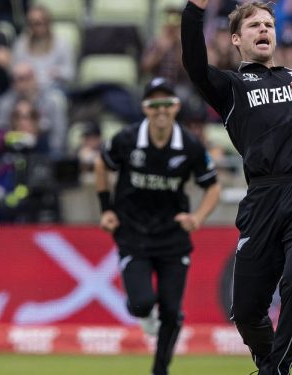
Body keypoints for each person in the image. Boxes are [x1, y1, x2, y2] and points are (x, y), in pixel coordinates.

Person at [181, 2, 292, 374]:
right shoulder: (231, 86)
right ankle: (267, 364)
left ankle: (275, 371)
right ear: (236, 39)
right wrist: (194, 10)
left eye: (269, 24)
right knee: (244, 310)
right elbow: (194, 66)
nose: (264, 29)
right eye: (255, 25)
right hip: (262, 196)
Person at [94, 77, 220, 375]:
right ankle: (143, 313)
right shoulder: (126, 139)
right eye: (154, 104)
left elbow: (212, 187)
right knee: (140, 304)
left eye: (167, 104)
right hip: (133, 232)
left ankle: (160, 370)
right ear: (145, 108)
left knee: (172, 312)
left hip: (172, 236)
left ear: (176, 107)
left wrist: (197, 218)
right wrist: (106, 210)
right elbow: (102, 164)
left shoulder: (189, 145)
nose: (161, 110)